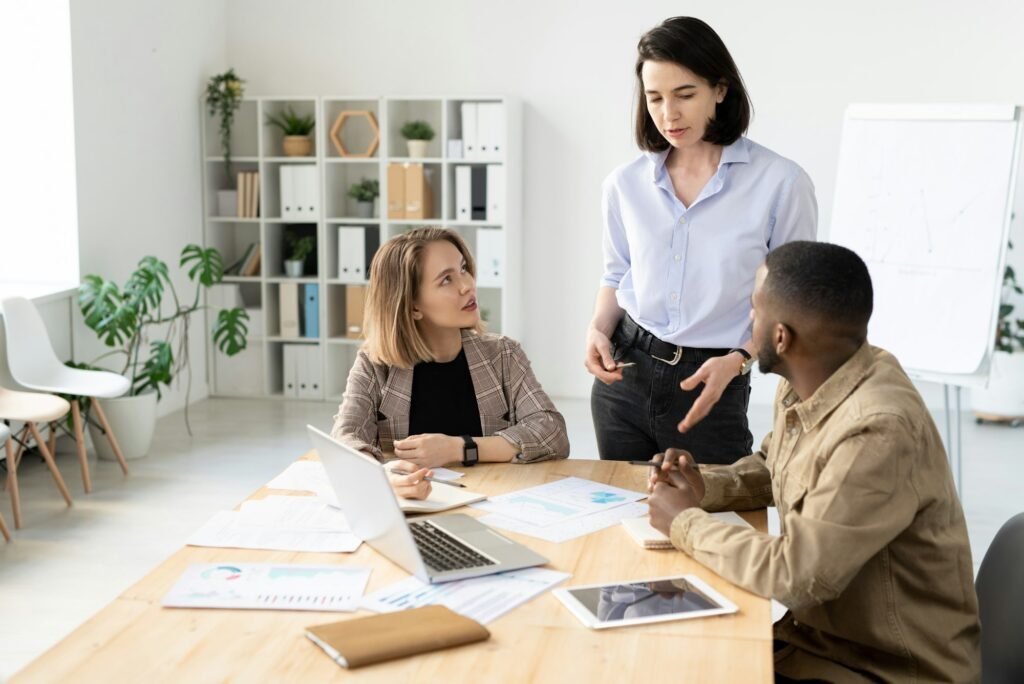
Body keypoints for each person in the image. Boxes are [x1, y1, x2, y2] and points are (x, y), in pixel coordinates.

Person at [647, 241, 981, 682]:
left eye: (754, 309)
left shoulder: (878, 430)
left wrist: (684, 521)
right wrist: (704, 486)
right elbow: (776, 463)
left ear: (781, 337)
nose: (750, 320)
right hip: (818, 643)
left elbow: (797, 574)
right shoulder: (818, 373)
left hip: (885, 669)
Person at [586, 16, 817, 464]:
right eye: (655, 98)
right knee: (624, 522)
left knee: (721, 522)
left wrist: (738, 361)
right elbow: (616, 273)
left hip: (713, 380)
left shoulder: (782, 183)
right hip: (625, 375)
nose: (668, 114)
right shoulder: (624, 184)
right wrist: (597, 329)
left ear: (721, 89)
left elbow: (791, 301)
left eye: (685, 94)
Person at [331, 227, 569, 499]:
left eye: (464, 268)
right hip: (416, 509)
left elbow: (553, 433)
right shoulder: (376, 364)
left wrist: (460, 448)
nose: (467, 285)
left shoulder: (503, 354)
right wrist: (384, 476)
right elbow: (346, 442)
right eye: (446, 280)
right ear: (412, 307)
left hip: (497, 500)